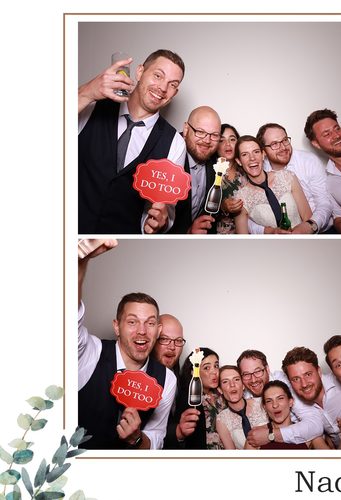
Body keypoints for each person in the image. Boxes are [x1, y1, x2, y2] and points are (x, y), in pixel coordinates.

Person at [77, 240, 176, 449]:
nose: (142, 331)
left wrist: (137, 439)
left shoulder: (167, 379)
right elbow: (68, 325)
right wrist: (78, 268)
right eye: (132, 322)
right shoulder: (92, 352)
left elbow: (156, 438)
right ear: (117, 327)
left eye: (150, 323)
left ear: (158, 330)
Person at [78, 49, 186, 234]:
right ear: (140, 72)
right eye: (158, 76)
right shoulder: (92, 107)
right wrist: (86, 92)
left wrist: (156, 222)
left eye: (172, 84)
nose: (162, 88)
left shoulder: (175, 143)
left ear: (174, 93)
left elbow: (163, 210)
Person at [244, 122, 332, 234]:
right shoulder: (259, 169)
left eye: (285, 140)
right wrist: (267, 231)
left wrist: (311, 225)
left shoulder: (308, 161)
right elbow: (247, 215)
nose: (283, 147)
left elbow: (324, 202)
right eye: (274, 144)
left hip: (320, 230)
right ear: (263, 151)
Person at [237, 349, 326, 447]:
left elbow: (315, 424)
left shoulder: (285, 383)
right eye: (246, 374)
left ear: (267, 369)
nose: (253, 380)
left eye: (258, 371)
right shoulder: (244, 394)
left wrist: (270, 435)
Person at [282, 347, 341, 449]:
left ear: (319, 371)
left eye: (308, 374)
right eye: (296, 379)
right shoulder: (299, 407)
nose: (304, 384)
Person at [231, 136, 312, 234]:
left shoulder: (287, 177)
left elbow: (308, 219)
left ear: (263, 154)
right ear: (239, 161)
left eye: (256, 152)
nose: (252, 158)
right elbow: (243, 240)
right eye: (245, 154)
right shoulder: (240, 198)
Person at [170, 106, 221, 234]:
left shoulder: (216, 164)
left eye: (214, 135)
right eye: (200, 132)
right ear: (186, 129)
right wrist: (187, 233)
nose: (207, 141)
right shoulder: (168, 156)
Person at [166, 347, 225, 449]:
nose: (214, 372)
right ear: (194, 372)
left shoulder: (221, 394)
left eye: (216, 366)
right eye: (206, 368)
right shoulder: (188, 400)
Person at [260, 381, 330, 450]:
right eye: (269, 401)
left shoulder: (308, 432)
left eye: (280, 398)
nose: (275, 405)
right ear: (264, 407)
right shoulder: (257, 435)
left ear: (290, 402)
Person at [216, 365, 268, 450]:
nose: (232, 385)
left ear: (243, 385)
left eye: (236, 379)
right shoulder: (222, 419)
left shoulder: (262, 403)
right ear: (220, 390)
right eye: (225, 382)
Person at [214, 123, 242, 234]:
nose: (228, 144)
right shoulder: (209, 171)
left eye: (232, 139)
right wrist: (222, 206)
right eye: (221, 140)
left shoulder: (246, 169)